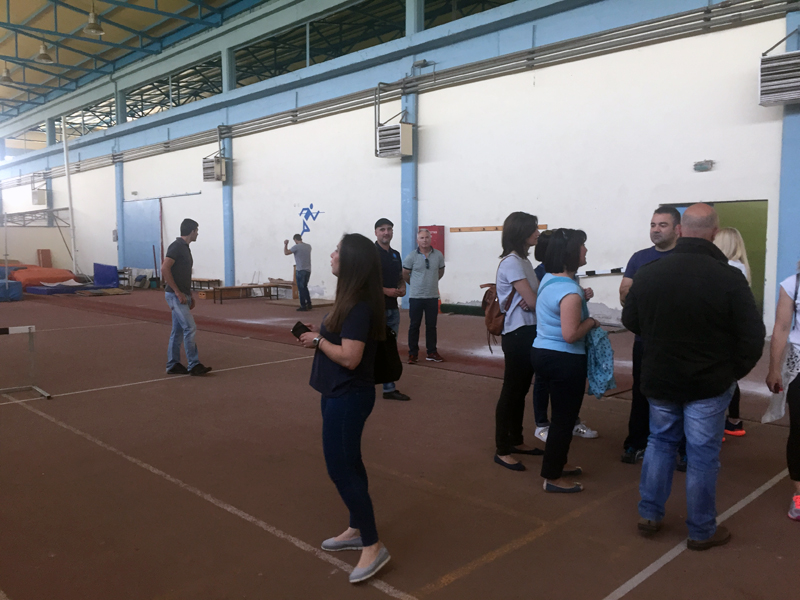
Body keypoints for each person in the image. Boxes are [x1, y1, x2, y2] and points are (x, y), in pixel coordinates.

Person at [622, 203, 764, 550]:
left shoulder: (650, 272)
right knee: (702, 456)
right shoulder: (729, 278)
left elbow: (631, 320)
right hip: (709, 383)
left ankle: (649, 514)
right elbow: (752, 336)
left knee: (660, 442)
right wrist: (731, 373)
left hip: (661, 378)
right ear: (714, 233)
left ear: (681, 230)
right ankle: (701, 530)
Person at [298, 233, 391, 583]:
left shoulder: (358, 306)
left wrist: (319, 341)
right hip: (337, 392)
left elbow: (351, 358)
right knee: (350, 463)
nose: (332, 255)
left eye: (337, 250)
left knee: (340, 469)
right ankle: (357, 527)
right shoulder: (350, 300)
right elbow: (342, 341)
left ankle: (372, 544)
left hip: (348, 396)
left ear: (350, 261)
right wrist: (319, 335)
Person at [533, 228, 600, 493]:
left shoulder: (549, 280)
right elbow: (571, 334)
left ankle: (557, 463)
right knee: (564, 419)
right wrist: (591, 322)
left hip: (543, 352)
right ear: (570, 252)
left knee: (560, 418)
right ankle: (552, 478)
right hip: (564, 359)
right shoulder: (570, 291)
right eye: (582, 245)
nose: (586, 250)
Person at [619, 206, 682, 464]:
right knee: (642, 392)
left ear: (678, 229)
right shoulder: (639, 258)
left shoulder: (685, 257)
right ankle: (636, 443)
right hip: (645, 342)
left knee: (679, 395)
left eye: (662, 225)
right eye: (653, 225)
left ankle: (683, 449)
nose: (656, 230)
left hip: (679, 343)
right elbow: (624, 293)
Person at [493, 212, 544, 471]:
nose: (538, 233)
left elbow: (535, 296)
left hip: (528, 331)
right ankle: (502, 449)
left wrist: (533, 298)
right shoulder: (512, 262)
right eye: (534, 229)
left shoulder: (524, 261)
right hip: (517, 334)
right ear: (521, 232)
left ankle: (516, 439)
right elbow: (534, 301)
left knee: (521, 390)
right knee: (512, 391)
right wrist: (533, 298)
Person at [766, 262, 800, 521]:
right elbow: (781, 327)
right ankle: (799, 494)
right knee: (799, 431)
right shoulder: (792, 284)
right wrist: (774, 368)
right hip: (799, 367)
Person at [714, 227, 752, 437]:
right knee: (730, 378)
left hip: (720, 331)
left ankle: (716, 425)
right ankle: (734, 420)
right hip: (733, 331)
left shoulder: (725, 268)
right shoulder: (741, 268)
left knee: (717, 379)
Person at [161, 219, 211, 376]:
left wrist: (189, 295)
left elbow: (183, 274)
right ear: (192, 231)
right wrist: (177, 292)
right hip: (175, 295)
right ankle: (194, 364)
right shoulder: (176, 246)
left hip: (182, 295)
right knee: (190, 327)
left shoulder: (185, 248)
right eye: (197, 231)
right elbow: (165, 268)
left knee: (177, 331)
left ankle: (173, 364)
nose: (198, 234)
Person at [374, 218, 410, 401]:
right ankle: (363, 384)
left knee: (389, 348)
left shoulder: (395, 254)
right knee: (371, 346)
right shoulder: (370, 254)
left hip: (392, 310)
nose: (386, 232)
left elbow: (399, 277)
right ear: (376, 232)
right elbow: (366, 282)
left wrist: (402, 287)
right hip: (375, 309)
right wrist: (385, 291)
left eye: (389, 229)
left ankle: (389, 389)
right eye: (382, 229)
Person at [403, 229, 446, 363]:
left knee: (431, 326)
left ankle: (432, 352)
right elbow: (405, 273)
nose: (424, 240)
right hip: (416, 297)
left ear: (430, 239)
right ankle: (412, 353)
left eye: (427, 237)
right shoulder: (411, 256)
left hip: (432, 296)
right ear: (417, 240)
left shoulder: (438, 255)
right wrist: (415, 284)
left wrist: (431, 282)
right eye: (421, 238)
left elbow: (441, 272)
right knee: (414, 326)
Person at [284, 234, 312, 311]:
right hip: (308, 270)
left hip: (300, 270)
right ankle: (309, 303)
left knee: (300, 289)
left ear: (295, 240)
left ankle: (303, 306)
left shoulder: (296, 247)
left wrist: (286, 244)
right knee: (305, 287)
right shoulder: (308, 246)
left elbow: (286, 253)